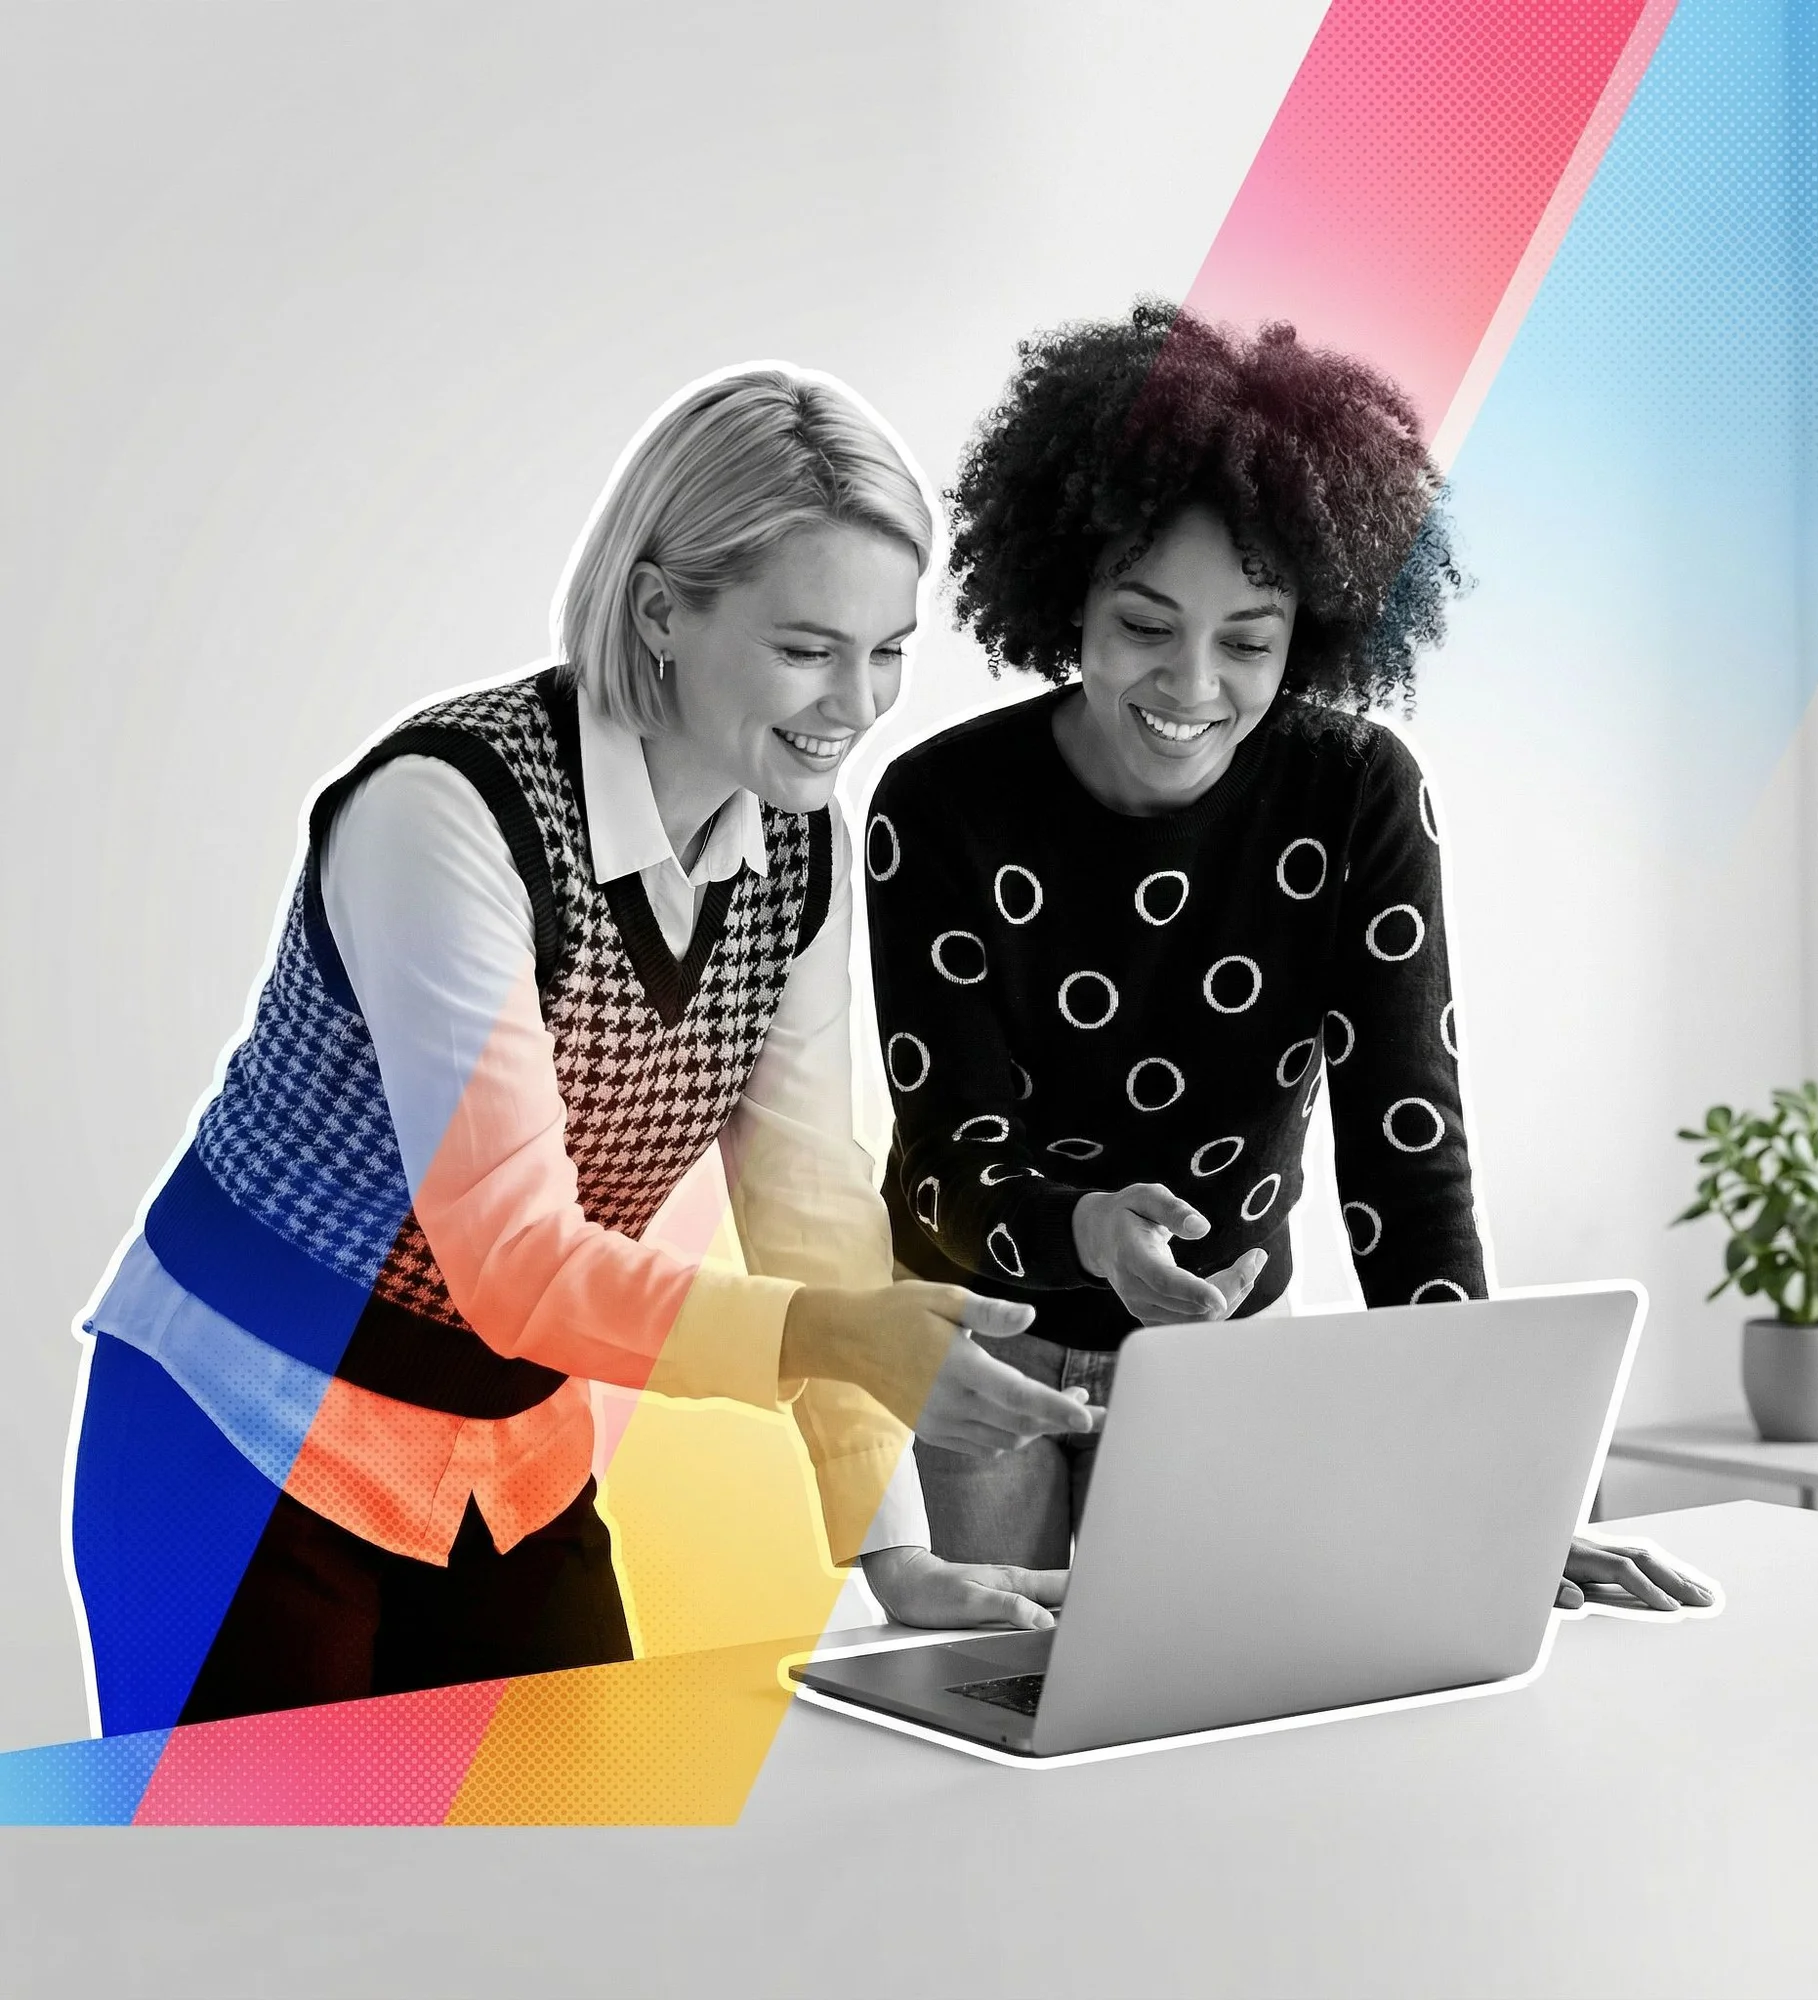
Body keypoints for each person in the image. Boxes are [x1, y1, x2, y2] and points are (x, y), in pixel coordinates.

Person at [65, 366, 1097, 1737]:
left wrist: (889, 1549)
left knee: (572, 1896)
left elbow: (807, 1203)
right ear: (663, 610)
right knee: (263, 1929)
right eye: (808, 649)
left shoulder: (798, 848)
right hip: (243, 1422)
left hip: (505, 1449)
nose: (860, 704)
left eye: (889, 649)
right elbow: (507, 1260)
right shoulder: (446, 814)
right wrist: (834, 1335)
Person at [865, 304, 1710, 1614]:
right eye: (1145, 624)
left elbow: (1406, 1170)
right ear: (1066, 594)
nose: (1191, 683)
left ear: (1306, 631)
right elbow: (940, 1173)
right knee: (987, 1737)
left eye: (1247, 640)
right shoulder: (939, 807)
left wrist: (1507, 1490)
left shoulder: (1356, 794)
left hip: (1222, 1362)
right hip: (983, 1348)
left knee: (1208, 1729)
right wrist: (1088, 1229)